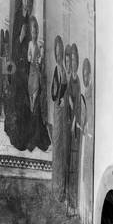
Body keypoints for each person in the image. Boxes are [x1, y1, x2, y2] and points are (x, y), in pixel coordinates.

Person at [5, 0, 34, 151]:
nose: (27, 1)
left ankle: (24, 136)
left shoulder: (29, 20)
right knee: (18, 100)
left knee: (26, 102)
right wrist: (21, 38)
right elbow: (13, 47)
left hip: (26, 67)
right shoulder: (17, 17)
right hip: (16, 67)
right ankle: (16, 136)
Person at [26, 16, 50, 152]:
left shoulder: (39, 45)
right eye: (33, 31)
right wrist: (31, 59)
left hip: (36, 74)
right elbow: (29, 57)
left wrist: (39, 60)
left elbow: (40, 61)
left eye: (36, 31)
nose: (35, 33)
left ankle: (35, 137)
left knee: (35, 103)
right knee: (30, 103)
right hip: (31, 73)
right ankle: (31, 135)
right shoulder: (30, 44)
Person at [65, 42, 82, 215]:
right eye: (72, 59)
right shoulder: (71, 79)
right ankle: (69, 204)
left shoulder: (77, 82)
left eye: (75, 59)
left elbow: (77, 104)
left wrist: (74, 121)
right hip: (70, 126)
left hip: (75, 129)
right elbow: (70, 101)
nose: (74, 63)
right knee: (69, 164)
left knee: (74, 166)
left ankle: (74, 204)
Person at [50, 36, 67, 201]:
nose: (59, 53)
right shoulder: (57, 69)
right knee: (57, 147)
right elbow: (53, 93)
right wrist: (58, 98)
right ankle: (56, 189)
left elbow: (64, 89)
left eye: (60, 51)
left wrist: (63, 97)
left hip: (63, 112)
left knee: (62, 147)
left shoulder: (64, 70)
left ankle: (61, 191)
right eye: (57, 51)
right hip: (57, 111)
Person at [78, 58, 93, 224]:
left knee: (87, 173)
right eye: (84, 73)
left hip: (88, 138)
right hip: (85, 137)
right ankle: (85, 212)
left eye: (86, 73)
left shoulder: (90, 94)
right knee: (84, 173)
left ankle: (87, 212)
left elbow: (89, 116)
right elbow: (83, 117)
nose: (85, 76)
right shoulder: (85, 93)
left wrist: (85, 127)